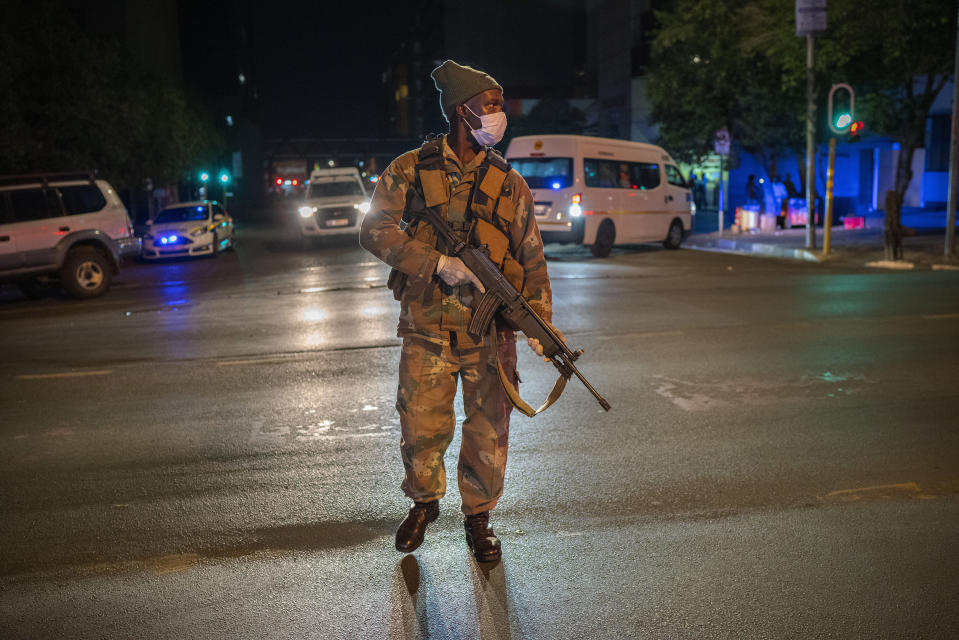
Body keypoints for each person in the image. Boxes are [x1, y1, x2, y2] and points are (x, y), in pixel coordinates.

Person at [359, 60, 553, 563]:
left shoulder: (510, 184)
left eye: (500, 106)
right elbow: (374, 229)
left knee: (489, 427)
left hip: (490, 336)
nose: (499, 115)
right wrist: (435, 262)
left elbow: (532, 259)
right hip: (426, 328)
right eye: (491, 105)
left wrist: (540, 326)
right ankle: (424, 503)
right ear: (462, 110)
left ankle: (479, 517)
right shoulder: (410, 170)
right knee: (421, 425)